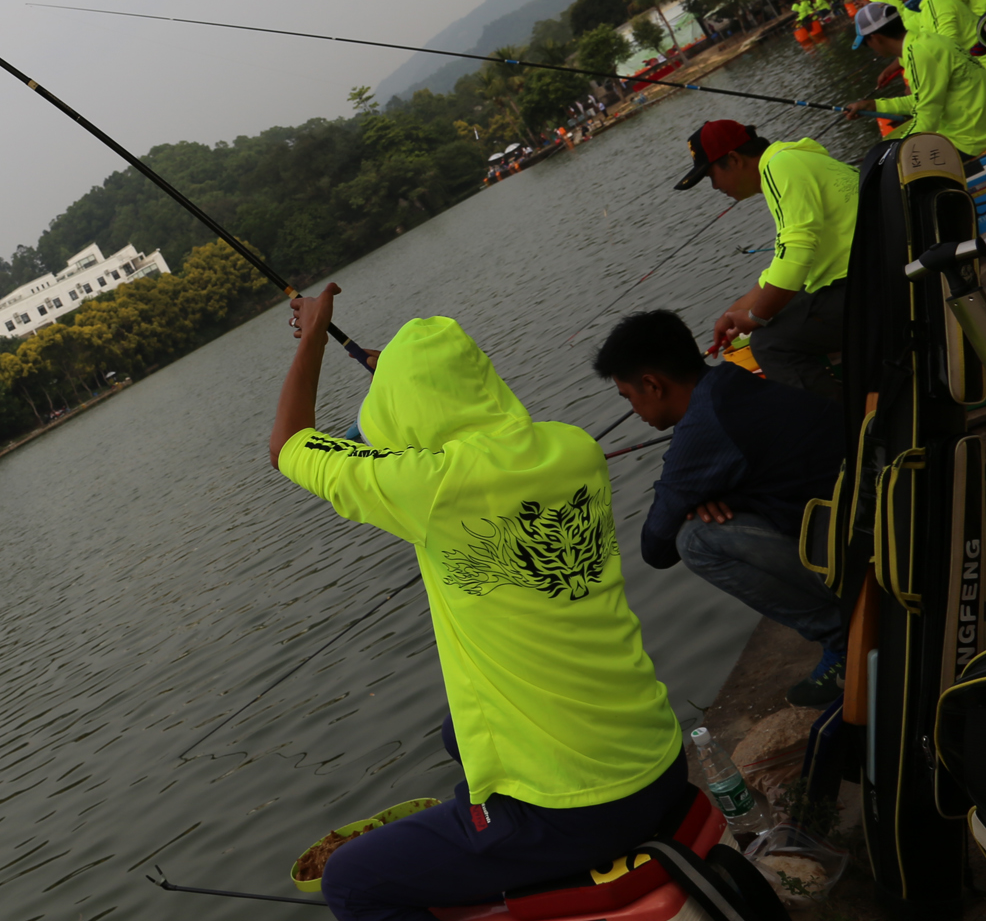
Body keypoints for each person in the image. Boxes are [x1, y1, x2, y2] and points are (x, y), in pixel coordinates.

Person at [270, 285, 686, 920]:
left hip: (582, 810)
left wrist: (312, 340)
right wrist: (410, 382)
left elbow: (290, 444)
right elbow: (451, 430)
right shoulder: (572, 448)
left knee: (352, 881)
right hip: (659, 757)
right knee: (454, 732)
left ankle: (505, 846)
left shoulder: (427, 490)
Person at [594, 311, 850, 706]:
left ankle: (844, 642)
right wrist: (723, 496)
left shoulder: (703, 426)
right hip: (869, 513)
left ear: (652, 384)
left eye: (629, 398)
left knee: (696, 540)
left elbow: (655, 547)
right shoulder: (729, 381)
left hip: (858, 544)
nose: (635, 411)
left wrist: (703, 500)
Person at [675, 119, 857, 402]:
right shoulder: (790, 160)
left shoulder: (778, 167)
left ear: (733, 159)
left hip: (868, 282)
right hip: (867, 271)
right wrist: (735, 312)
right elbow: (786, 260)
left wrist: (755, 317)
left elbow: (796, 254)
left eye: (711, 176)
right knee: (779, 315)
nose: (713, 187)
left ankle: (835, 431)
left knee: (770, 342)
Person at [845, 1, 986, 158]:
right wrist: (874, 105)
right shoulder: (925, 41)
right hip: (981, 126)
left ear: (876, 38)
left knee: (896, 170)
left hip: (970, 139)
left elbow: (927, 119)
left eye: (867, 44)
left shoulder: (919, 54)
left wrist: (893, 152)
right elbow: (922, 101)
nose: (871, 49)